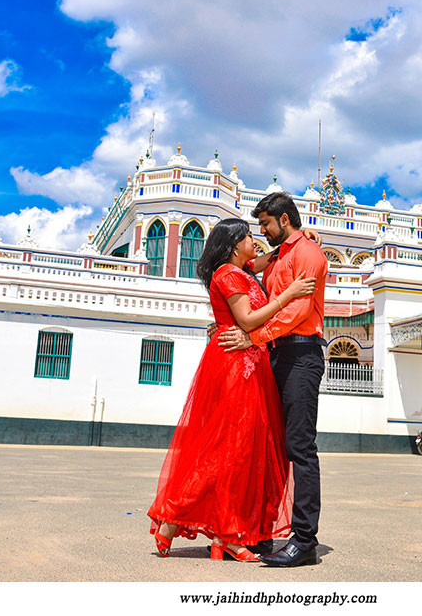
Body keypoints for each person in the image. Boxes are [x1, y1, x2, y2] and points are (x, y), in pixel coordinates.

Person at [148, 218, 316, 562]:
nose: (255, 241)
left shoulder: (244, 270)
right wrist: (289, 294)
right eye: (249, 236)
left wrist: (300, 237)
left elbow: (268, 257)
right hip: (236, 366)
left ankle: (231, 531)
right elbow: (248, 320)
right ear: (235, 244)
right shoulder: (228, 274)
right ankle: (175, 518)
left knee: (244, 454)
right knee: (228, 451)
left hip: (253, 364)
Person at [218, 191, 327, 567]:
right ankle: (266, 532)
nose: (262, 231)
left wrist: (254, 336)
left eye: (265, 223)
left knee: (300, 446)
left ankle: (305, 540)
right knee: (272, 448)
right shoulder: (276, 257)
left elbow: (298, 310)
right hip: (275, 354)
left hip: (300, 353)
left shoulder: (308, 254)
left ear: (283, 219)